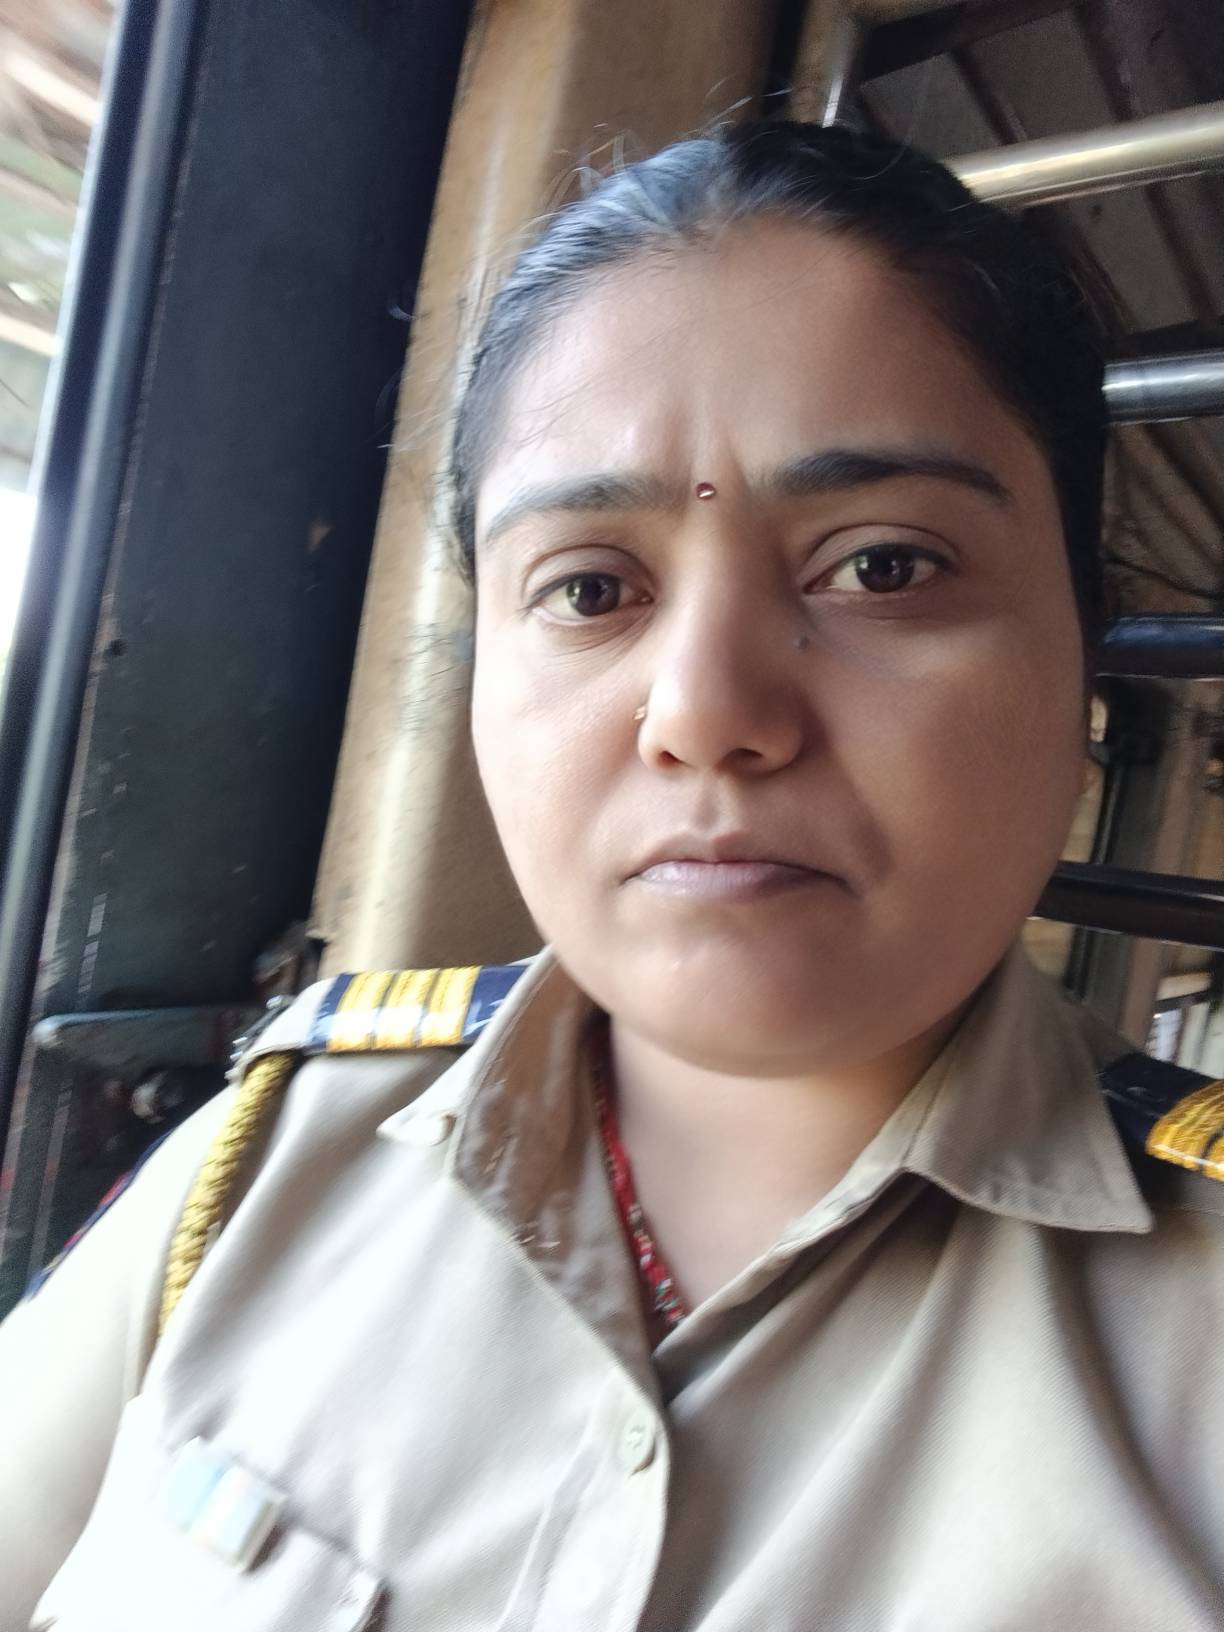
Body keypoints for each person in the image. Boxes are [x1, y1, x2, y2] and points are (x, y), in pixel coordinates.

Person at [1, 119, 1222, 1631]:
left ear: (1083, 659)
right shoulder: (260, 1168)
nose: (704, 712)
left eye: (884, 566)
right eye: (589, 589)